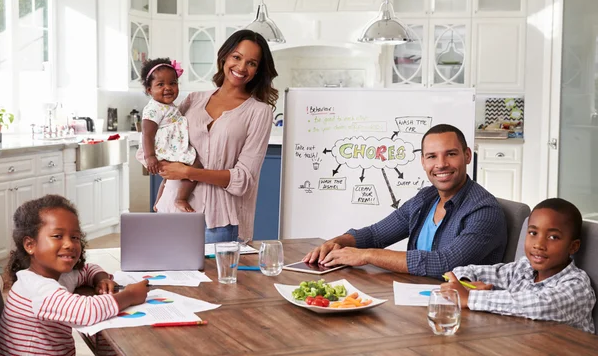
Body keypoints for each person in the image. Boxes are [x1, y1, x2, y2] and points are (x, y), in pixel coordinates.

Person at [303, 124, 507, 279]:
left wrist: (366, 255)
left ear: (467, 156)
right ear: (423, 162)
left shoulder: (484, 210)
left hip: (461, 313)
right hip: (416, 299)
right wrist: (337, 242)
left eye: (451, 154)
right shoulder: (425, 199)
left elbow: (445, 264)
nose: (441, 164)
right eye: (432, 157)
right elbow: (375, 234)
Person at [155, 29, 277, 244]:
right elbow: (167, 143)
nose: (241, 67)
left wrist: (189, 171)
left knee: (218, 279)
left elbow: (243, 180)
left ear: (258, 70)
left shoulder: (259, 112)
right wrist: (162, 190)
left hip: (218, 220)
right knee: (168, 277)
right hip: (170, 209)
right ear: (224, 57)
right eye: (236, 57)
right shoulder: (193, 99)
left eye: (251, 63)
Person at [0, 195, 149, 355]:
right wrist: (131, 294)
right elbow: (85, 311)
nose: (69, 244)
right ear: (30, 245)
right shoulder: (36, 287)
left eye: (75, 237)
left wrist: (101, 278)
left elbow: (87, 270)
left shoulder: (60, 275)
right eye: (57, 236)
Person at [442, 198, 595, 333]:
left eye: (553, 237)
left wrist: (470, 297)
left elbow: (537, 306)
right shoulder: (523, 269)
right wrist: (467, 284)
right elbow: (467, 270)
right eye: (533, 233)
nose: (539, 244)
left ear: (573, 246)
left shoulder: (577, 286)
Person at [135, 58, 201, 212]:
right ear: (149, 90)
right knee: (196, 166)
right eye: (160, 84)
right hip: (163, 149)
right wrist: (150, 156)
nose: (168, 88)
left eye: (173, 83)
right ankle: (181, 198)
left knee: (168, 179)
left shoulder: (168, 106)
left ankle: (158, 202)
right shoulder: (153, 109)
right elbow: (147, 134)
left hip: (170, 147)